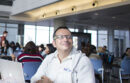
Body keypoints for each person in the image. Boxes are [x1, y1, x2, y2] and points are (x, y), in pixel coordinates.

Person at [31, 26, 95, 83]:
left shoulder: (82, 61)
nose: (65, 39)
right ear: (54, 43)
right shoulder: (49, 58)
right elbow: (35, 78)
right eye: (61, 37)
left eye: (69, 37)